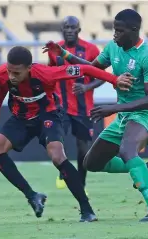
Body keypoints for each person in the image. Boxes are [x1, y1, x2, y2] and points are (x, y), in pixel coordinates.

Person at [43, 9, 148, 222]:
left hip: (146, 115)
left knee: (127, 150)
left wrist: (113, 108)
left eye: (120, 31)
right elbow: (90, 68)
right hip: (123, 117)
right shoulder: (112, 48)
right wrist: (63, 53)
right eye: (114, 30)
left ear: (134, 30)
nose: (115, 35)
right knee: (91, 163)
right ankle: (142, 169)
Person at [0, 46, 134, 222]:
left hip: (48, 115)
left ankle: (86, 209)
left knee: (57, 155)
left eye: (16, 73)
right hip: (21, 118)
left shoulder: (47, 74)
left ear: (29, 68)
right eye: (9, 71)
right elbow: (1, 88)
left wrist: (114, 80)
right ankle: (32, 196)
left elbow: (85, 69)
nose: (11, 76)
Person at [48, 16, 104, 191]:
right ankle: (63, 172)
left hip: (83, 108)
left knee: (83, 149)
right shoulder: (55, 50)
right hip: (60, 107)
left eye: (73, 27)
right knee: (57, 141)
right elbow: (49, 73)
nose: (70, 30)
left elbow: (102, 76)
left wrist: (87, 87)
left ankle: (81, 182)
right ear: (62, 30)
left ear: (79, 29)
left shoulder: (91, 49)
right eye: (67, 27)